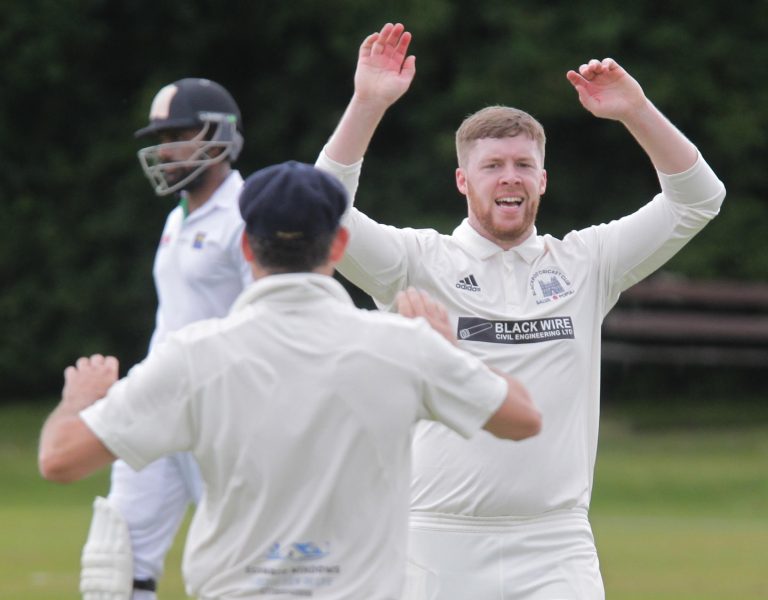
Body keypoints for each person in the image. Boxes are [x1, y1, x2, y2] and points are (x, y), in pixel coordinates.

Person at [314, 22, 726, 599]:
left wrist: (637, 112)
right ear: (463, 180)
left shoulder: (588, 262)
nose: (510, 176)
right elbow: (319, 215)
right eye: (492, 165)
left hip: (555, 544)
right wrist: (367, 102)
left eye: (523, 165)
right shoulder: (415, 261)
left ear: (543, 180)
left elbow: (699, 199)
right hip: (433, 542)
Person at [39, 161, 542, 600]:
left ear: (246, 246)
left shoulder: (196, 355)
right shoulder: (402, 347)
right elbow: (522, 419)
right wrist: (448, 350)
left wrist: (77, 400)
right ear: (339, 243)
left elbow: (60, 459)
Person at [79, 77, 253, 600]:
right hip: (157, 400)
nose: (166, 148)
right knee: (114, 563)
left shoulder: (248, 213)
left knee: (239, 564)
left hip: (220, 412)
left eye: (180, 133)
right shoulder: (177, 217)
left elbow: (263, 320)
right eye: (162, 136)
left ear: (221, 136)